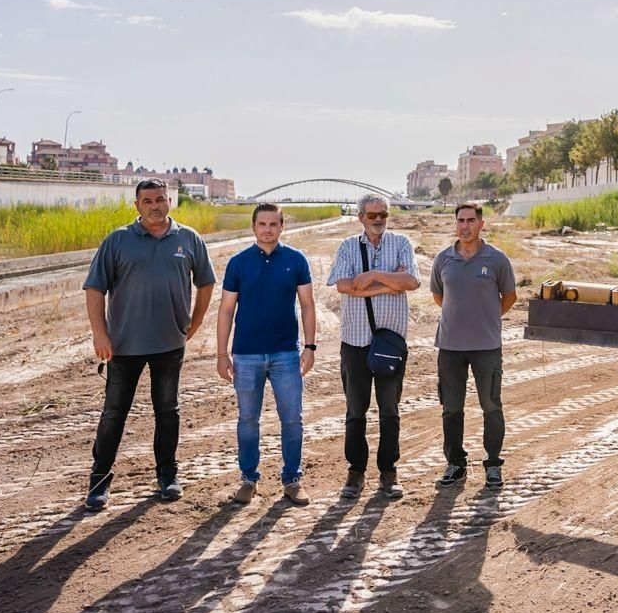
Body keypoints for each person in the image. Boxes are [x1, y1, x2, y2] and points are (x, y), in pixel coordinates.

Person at [83, 178, 216, 511]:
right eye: (147, 201)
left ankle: (167, 477)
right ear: (137, 206)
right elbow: (94, 289)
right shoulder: (118, 241)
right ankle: (99, 482)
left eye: (160, 199)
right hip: (123, 346)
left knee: (167, 412)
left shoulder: (188, 239)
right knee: (114, 414)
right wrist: (100, 334)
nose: (155, 206)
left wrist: (195, 322)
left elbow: (206, 283)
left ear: (170, 200)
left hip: (169, 345)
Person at [216, 203, 317, 506]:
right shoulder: (238, 263)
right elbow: (225, 310)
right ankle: (249, 480)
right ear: (253, 227)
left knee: (292, 420)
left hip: (286, 353)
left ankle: (292, 480)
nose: (268, 229)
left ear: (282, 226)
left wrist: (310, 347)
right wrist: (222, 353)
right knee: (248, 420)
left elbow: (308, 305)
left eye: (274, 224)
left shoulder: (296, 260)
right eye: (262, 224)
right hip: (246, 355)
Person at [327, 193, 419, 500]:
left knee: (390, 410)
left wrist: (372, 277)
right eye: (372, 215)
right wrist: (387, 286)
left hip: (391, 341)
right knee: (356, 411)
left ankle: (388, 473)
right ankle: (355, 473)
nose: (378, 220)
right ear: (360, 218)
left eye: (383, 214)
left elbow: (410, 282)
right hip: (355, 341)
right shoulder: (348, 247)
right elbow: (343, 285)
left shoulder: (402, 243)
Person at [430, 202, 517, 491]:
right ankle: (455, 463)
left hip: (486, 346)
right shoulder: (444, 259)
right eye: (460, 220)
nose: (464, 225)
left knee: (491, 405)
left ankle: (493, 465)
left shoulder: (497, 259)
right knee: (451, 408)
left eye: (470, 220)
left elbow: (510, 297)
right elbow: (438, 296)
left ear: (481, 224)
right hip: (450, 346)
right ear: (455, 224)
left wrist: (486, 317)